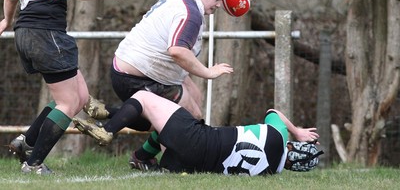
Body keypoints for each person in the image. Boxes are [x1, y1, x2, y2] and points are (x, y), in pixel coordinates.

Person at [80, 0, 254, 170]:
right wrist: (209, 72)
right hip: (136, 75)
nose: (219, 5)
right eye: (217, 0)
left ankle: (128, 138)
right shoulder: (191, 14)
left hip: (133, 67)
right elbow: (178, 51)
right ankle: (166, 161)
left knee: (192, 102)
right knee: (186, 118)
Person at [0, 0, 120, 175]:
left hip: (26, 33)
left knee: (79, 97)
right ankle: (33, 163)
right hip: (46, 34)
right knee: (68, 103)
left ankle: (26, 142)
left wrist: (6, 21)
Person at [74, 90, 324, 175]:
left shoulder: (278, 136)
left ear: (293, 146)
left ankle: (107, 127)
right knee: (160, 123)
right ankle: (140, 158)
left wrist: (297, 131)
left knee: (143, 98)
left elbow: (273, 112)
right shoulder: (270, 174)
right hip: (187, 166)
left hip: (197, 140)